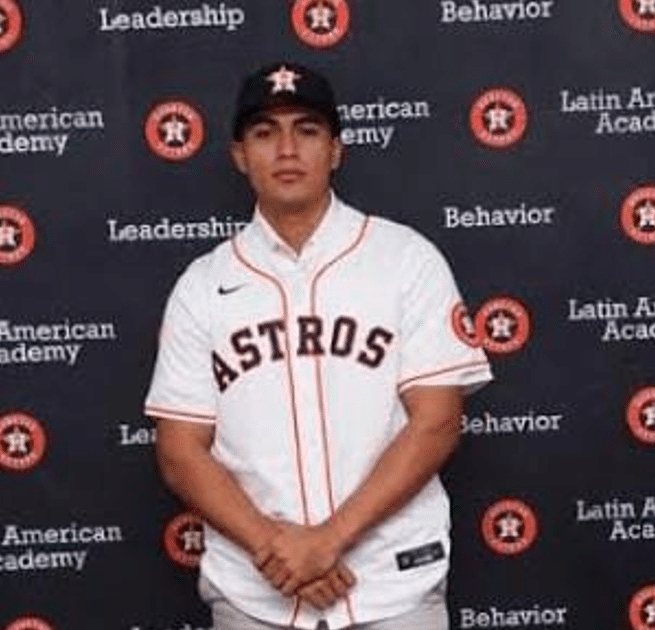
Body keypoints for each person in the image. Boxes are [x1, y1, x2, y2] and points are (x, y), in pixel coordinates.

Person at [145, 61, 493, 630]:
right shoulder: (203, 285)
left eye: (306, 130)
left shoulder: (406, 259)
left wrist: (329, 539)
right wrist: (282, 549)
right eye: (264, 133)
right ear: (239, 155)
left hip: (392, 585)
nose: (286, 149)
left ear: (335, 150)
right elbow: (180, 452)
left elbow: (437, 421)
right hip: (257, 592)